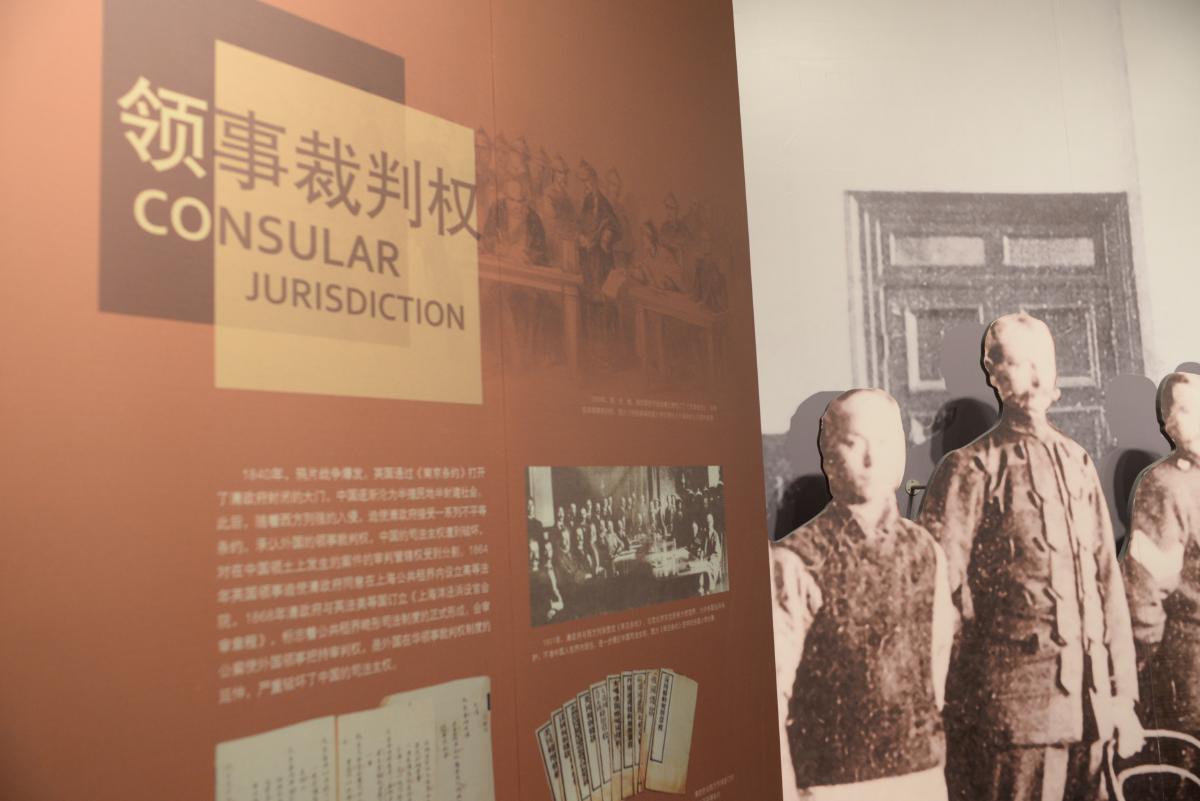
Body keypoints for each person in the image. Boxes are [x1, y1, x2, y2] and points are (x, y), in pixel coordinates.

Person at [918, 312, 1143, 801]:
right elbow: (938, 600)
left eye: (1045, 362)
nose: (1038, 377)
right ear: (994, 374)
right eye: (1020, 364)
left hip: (1092, 714)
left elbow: (1108, 586)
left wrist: (1123, 695)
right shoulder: (970, 468)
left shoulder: (1077, 461)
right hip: (1016, 720)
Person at [772, 388, 952, 801]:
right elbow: (773, 697)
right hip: (831, 783)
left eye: (884, 442)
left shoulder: (925, 550)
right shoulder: (796, 559)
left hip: (920, 773)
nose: (872, 458)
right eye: (854, 444)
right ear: (829, 457)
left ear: (901, 451)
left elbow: (936, 665)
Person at [1122, 372, 1200, 799]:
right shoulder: (1164, 485)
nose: (1190, 420)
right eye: (1181, 411)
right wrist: (1140, 661)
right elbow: (1146, 586)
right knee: (1186, 770)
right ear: (1167, 424)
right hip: (1190, 659)